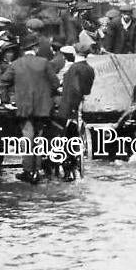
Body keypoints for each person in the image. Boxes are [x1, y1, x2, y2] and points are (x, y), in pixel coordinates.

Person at [0, 34, 61, 184]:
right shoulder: (44, 62)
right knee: (39, 136)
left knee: (28, 136)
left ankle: (27, 170)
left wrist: (6, 99)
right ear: (35, 48)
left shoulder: (16, 64)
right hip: (43, 107)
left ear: (23, 49)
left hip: (24, 106)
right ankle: (37, 169)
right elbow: (55, 83)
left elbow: (3, 81)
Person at [51, 41, 95, 180]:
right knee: (72, 136)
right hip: (78, 106)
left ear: (75, 52)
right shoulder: (89, 69)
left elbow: (74, 89)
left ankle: (64, 165)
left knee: (62, 135)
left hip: (68, 108)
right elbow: (86, 90)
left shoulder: (74, 69)